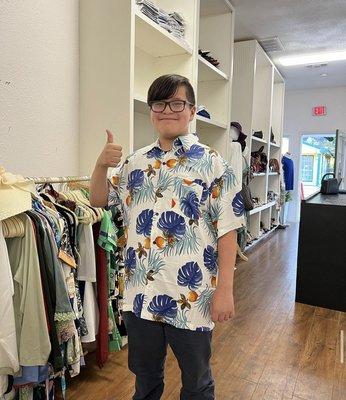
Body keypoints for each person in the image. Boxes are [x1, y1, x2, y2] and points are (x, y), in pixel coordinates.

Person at [90, 74, 245, 400]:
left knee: (197, 383)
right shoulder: (134, 162)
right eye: (159, 103)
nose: (168, 110)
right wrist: (101, 165)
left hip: (191, 297)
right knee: (145, 381)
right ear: (151, 111)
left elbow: (228, 231)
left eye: (177, 103)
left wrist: (225, 292)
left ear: (191, 111)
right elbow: (99, 200)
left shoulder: (213, 163)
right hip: (139, 297)